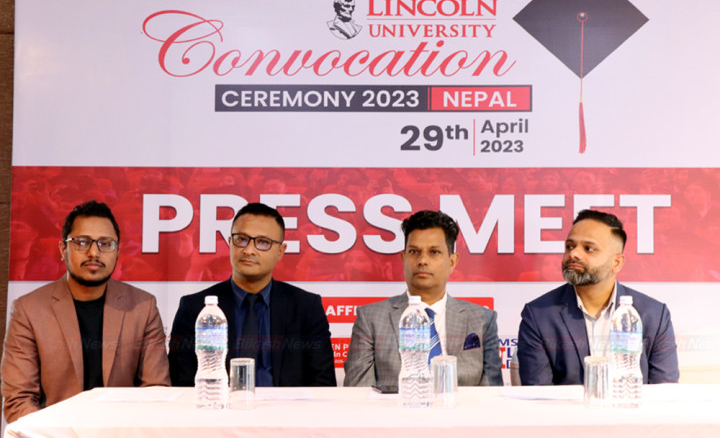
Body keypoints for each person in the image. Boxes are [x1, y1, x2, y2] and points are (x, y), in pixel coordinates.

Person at [1, 200, 170, 424]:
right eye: (82, 242)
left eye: (105, 244)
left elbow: (156, 392)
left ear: (117, 251)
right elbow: (18, 400)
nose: (93, 253)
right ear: (63, 249)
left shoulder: (143, 307)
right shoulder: (28, 310)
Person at [168, 203, 336, 387]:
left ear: (280, 251)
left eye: (263, 242)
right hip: (218, 404)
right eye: (241, 239)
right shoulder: (195, 308)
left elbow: (323, 385)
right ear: (230, 243)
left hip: (286, 406)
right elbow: (181, 385)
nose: (248, 250)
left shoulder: (306, 307)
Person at [517, 209, 679, 385]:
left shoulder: (654, 315)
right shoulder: (538, 315)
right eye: (570, 246)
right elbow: (539, 394)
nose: (574, 254)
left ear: (617, 262)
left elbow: (664, 392)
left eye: (588, 248)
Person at [344, 210, 504, 387]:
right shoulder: (371, 319)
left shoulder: (482, 320)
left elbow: (491, 395)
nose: (422, 260)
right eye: (414, 251)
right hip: (397, 405)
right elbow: (358, 394)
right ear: (403, 258)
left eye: (434, 252)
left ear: (452, 262)